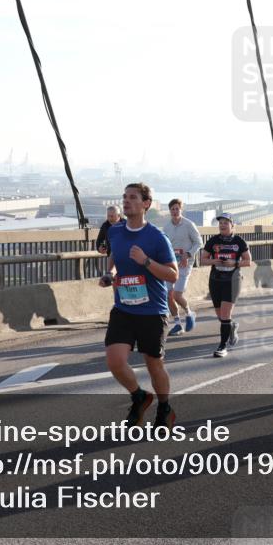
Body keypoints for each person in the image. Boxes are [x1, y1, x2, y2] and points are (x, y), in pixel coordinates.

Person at [98, 183, 179, 433]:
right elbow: (114, 258)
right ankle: (139, 396)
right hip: (124, 307)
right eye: (124, 197)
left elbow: (173, 275)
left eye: (133, 197)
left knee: (153, 364)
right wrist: (109, 274)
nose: (126, 201)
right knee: (114, 360)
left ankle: (164, 407)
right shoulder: (115, 232)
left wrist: (145, 261)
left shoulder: (156, 237)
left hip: (152, 310)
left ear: (146, 204)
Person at [201, 213, 252, 357]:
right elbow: (203, 259)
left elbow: (248, 261)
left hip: (232, 281)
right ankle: (232, 326)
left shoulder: (239, 241)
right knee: (220, 316)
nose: (222, 225)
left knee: (225, 314)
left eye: (226, 222)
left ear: (232, 225)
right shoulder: (213, 241)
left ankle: (222, 346)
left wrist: (234, 263)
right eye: (221, 222)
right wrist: (214, 261)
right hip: (216, 280)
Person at [162, 199, 202, 336]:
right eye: (172, 209)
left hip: (185, 264)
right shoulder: (166, 227)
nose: (174, 211)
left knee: (177, 294)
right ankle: (178, 324)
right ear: (169, 211)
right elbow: (165, 246)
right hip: (171, 264)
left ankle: (189, 313)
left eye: (177, 209)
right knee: (169, 295)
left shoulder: (189, 224)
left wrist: (188, 254)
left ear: (181, 210)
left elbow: (199, 242)